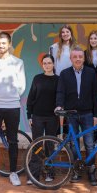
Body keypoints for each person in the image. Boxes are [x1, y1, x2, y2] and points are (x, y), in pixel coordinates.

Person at [0, 32, 26, 189]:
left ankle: (13, 173)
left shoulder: (18, 62)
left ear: (9, 44)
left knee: (13, 141)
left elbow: (21, 85)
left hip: (12, 106)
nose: (0, 46)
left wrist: (11, 97)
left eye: (3, 43)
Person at [56, 47, 97, 186]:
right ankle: (76, 170)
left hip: (88, 113)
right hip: (71, 114)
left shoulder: (91, 73)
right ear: (71, 59)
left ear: (83, 58)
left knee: (89, 144)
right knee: (73, 145)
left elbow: (95, 95)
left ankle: (91, 171)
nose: (78, 59)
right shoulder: (64, 74)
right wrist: (59, 105)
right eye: (75, 57)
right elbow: (60, 92)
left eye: (80, 56)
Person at [26, 54, 59, 184]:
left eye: (49, 63)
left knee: (50, 145)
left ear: (53, 64)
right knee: (37, 145)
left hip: (52, 117)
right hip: (38, 116)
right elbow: (31, 97)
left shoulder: (58, 79)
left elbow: (60, 98)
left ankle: (49, 173)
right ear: (42, 65)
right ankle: (34, 175)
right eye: (44, 63)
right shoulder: (37, 78)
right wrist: (30, 115)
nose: (47, 65)